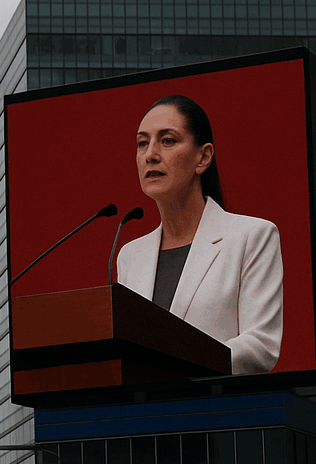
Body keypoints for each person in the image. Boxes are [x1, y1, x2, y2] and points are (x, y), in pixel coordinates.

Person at [117, 94, 282, 375]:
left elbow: (260, 346)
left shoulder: (252, 236)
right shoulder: (129, 256)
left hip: (217, 411)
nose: (150, 154)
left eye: (167, 141)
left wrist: (174, 363)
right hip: (144, 414)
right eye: (142, 143)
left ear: (203, 157)